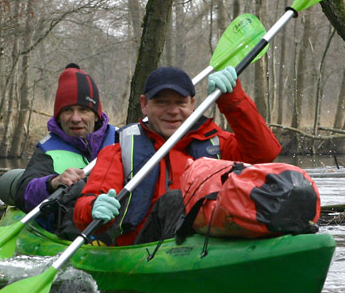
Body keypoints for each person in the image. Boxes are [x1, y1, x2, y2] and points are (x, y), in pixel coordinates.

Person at [73, 65, 281, 246]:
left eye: (180, 103)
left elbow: (265, 154)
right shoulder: (120, 152)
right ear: (144, 104)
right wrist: (93, 208)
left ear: (192, 104)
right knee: (174, 200)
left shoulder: (217, 143)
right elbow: (84, 207)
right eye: (162, 102)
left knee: (281, 187)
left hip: (211, 241)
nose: (172, 111)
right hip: (145, 248)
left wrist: (232, 100)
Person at [13, 64, 117, 232]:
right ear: (59, 116)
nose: (75, 118)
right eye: (68, 110)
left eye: (83, 110)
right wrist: (53, 182)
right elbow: (24, 193)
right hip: (71, 228)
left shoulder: (122, 140)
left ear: (97, 115)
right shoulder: (47, 150)